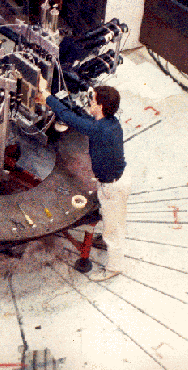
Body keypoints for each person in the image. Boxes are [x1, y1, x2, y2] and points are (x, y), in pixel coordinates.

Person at [36, 79, 131, 281]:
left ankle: (114, 267)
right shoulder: (110, 123)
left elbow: (69, 117)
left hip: (113, 187)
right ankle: (106, 237)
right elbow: (81, 117)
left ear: (101, 106)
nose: (89, 102)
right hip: (113, 181)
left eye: (93, 100)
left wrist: (47, 97)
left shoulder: (100, 130)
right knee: (110, 218)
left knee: (114, 232)